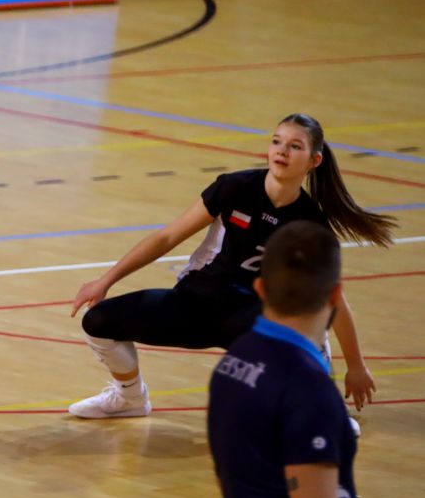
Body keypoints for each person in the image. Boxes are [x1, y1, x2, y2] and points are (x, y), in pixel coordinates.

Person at [68, 113, 395, 420]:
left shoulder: (310, 225)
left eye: (295, 146)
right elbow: (167, 237)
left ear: (314, 161)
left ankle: (323, 413)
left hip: (251, 319)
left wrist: (356, 366)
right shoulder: (235, 188)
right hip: (196, 303)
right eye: (277, 141)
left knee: (305, 328)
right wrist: (106, 280)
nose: (281, 151)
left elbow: (334, 298)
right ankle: (130, 398)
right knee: (98, 321)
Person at [208, 220, 360, 498]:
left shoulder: (232, 362)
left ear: (260, 289)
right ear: (335, 295)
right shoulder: (310, 390)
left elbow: (228, 480)